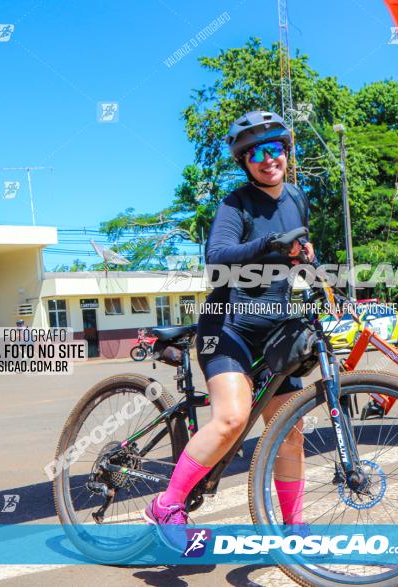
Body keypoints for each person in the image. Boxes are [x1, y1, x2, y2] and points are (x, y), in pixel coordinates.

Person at [145, 111, 316, 548]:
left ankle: (294, 529)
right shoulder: (234, 204)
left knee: (290, 430)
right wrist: (270, 244)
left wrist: (304, 260)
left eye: (275, 148)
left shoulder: (297, 198)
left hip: (276, 331)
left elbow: (290, 259)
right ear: (244, 161)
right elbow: (217, 257)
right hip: (227, 327)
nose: (267, 159)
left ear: (286, 152)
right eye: (255, 153)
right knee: (232, 418)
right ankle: (167, 504)